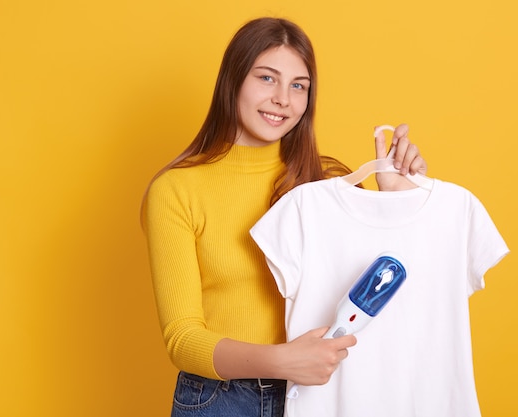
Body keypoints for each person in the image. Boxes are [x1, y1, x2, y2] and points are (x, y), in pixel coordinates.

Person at [142, 17, 428, 417]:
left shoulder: (329, 184)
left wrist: (397, 198)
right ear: (233, 81)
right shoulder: (176, 191)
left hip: (324, 393)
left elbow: (387, 289)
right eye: (266, 78)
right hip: (221, 399)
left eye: (299, 86)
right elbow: (182, 338)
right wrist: (283, 361)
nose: (283, 99)